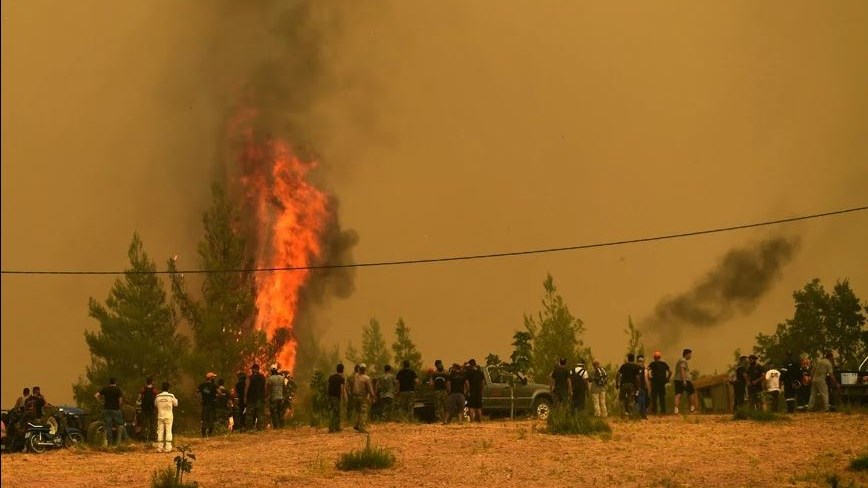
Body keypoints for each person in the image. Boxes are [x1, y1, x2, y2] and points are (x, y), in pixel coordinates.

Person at [95, 377, 128, 446]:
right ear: (115, 382)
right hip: (115, 410)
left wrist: (101, 402)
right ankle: (120, 442)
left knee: (108, 426)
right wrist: (119, 407)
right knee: (120, 424)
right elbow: (120, 400)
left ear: (109, 382)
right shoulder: (118, 390)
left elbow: (96, 395)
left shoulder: (105, 389)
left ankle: (109, 443)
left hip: (107, 410)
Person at [154, 382, 178, 453]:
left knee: (160, 431)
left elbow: (155, 404)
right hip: (168, 416)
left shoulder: (158, 396)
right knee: (168, 431)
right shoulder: (171, 396)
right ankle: (168, 448)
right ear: (168, 388)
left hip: (160, 416)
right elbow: (176, 404)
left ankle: (159, 448)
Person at [352, 364, 375, 433]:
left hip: (355, 396)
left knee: (358, 411)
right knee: (363, 412)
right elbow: (370, 390)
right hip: (362, 397)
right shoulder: (366, 378)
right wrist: (373, 396)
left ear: (359, 369)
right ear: (365, 369)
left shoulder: (356, 376)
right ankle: (362, 427)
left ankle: (356, 425)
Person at [673, 349, 696, 414]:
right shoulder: (683, 361)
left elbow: (683, 370)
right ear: (687, 354)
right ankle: (692, 409)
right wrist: (684, 381)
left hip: (677, 379)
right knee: (691, 393)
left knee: (678, 394)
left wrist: (689, 373)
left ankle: (676, 410)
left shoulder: (680, 360)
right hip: (684, 380)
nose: (691, 356)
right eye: (690, 354)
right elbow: (682, 370)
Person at [244, 364, 266, 430]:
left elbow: (246, 387)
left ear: (253, 369)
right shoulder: (263, 377)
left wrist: (245, 397)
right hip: (260, 398)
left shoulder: (249, 377)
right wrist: (264, 396)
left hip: (251, 399)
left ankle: (249, 428)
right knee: (260, 414)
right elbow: (265, 388)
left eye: (252, 369)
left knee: (249, 414)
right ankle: (260, 428)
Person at [327, 364, 347, 433]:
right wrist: (343, 398)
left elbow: (328, 386)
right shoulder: (341, 379)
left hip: (330, 396)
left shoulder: (331, 377)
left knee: (331, 411)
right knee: (337, 412)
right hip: (336, 397)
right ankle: (336, 427)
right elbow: (342, 389)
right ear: (342, 370)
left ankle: (331, 427)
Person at [137, 377, 158, 443]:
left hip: (144, 409)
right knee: (153, 424)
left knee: (144, 423)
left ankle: (143, 437)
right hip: (152, 409)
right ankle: (153, 437)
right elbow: (156, 399)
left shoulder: (143, 389)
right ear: (152, 382)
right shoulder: (154, 390)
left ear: (146, 382)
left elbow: (139, 399)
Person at [197, 372, 218, 437]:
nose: (214, 378)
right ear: (211, 378)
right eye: (213, 377)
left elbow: (196, 393)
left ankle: (203, 435)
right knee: (211, 419)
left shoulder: (201, 385)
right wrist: (216, 397)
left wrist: (200, 400)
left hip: (205, 404)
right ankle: (210, 434)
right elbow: (219, 392)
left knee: (204, 419)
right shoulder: (214, 385)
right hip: (212, 405)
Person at [635, 355, 650, 419]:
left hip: (641, 387)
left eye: (641, 361)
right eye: (639, 361)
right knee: (641, 401)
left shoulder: (643, 369)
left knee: (641, 401)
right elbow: (646, 378)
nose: (640, 362)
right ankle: (642, 415)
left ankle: (639, 414)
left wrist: (648, 387)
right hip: (639, 388)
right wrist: (649, 388)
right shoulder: (644, 369)